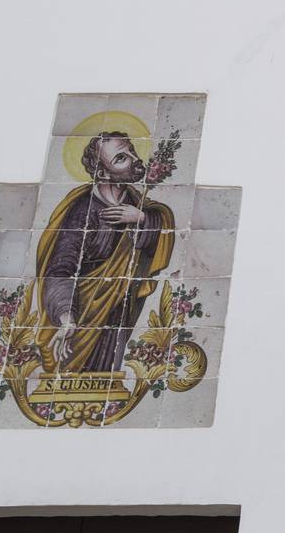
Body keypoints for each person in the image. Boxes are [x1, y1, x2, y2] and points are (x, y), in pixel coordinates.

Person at [22, 132, 174, 374]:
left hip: (118, 308)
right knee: (77, 374)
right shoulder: (84, 210)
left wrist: (141, 218)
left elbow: (159, 233)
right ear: (103, 172)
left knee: (109, 370)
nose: (135, 159)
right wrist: (66, 318)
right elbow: (61, 268)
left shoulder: (137, 204)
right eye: (122, 158)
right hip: (83, 310)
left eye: (132, 151)